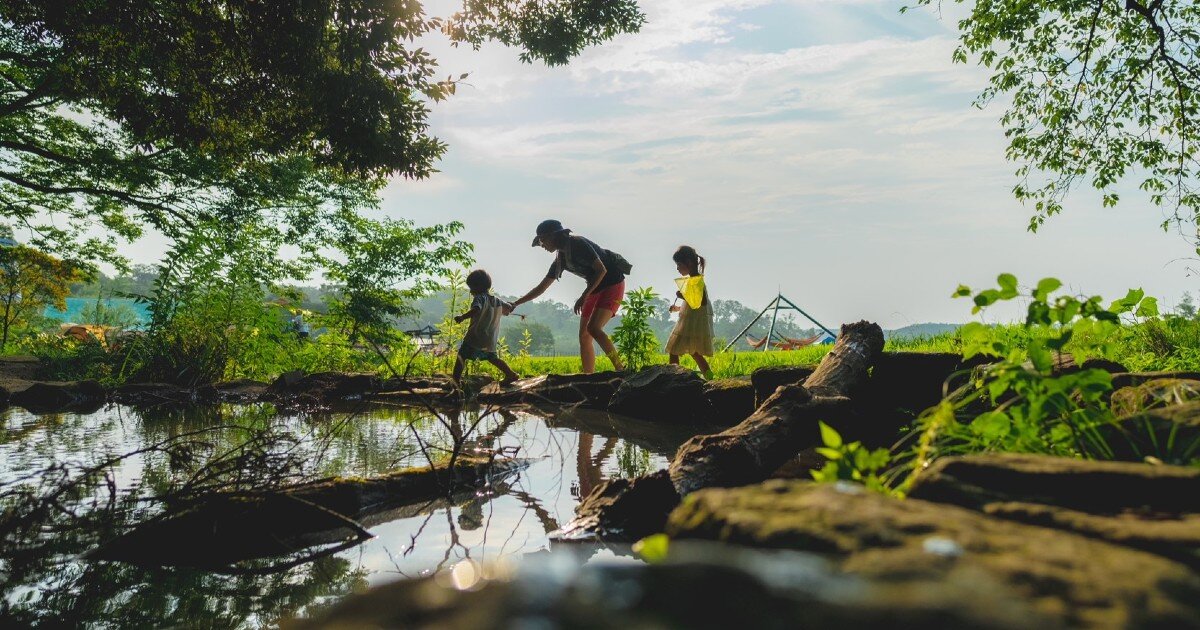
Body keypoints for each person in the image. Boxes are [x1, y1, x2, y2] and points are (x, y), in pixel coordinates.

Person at [509, 220, 629, 373]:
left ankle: (621, 369)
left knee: (593, 328)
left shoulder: (578, 243)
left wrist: (583, 296)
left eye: (543, 240)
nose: (543, 245)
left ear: (554, 236)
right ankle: (588, 376)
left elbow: (602, 270)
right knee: (584, 336)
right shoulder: (561, 258)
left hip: (612, 282)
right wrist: (516, 303)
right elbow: (542, 287)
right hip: (594, 288)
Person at [453, 269, 520, 386]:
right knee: (492, 358)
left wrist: (463, 317)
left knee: (461, 356)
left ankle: (455, 382)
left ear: (477, 287)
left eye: (471, 288)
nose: (470, 291)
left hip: (476, 336)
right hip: (490, 338)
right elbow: (508, 308)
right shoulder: (497, 300)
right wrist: (510, 305)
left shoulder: (479, 298)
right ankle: (510, 374)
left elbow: (476, 309)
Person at [666, 245, 714, 379]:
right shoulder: (692, 280)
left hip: (692, 324)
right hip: (691, 320)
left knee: (673, 349)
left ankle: (673, 378)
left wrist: (683, 296)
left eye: (679, 264)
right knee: (695, 353)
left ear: (688, 263)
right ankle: (710, 378)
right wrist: (677, 308)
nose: (677, 268)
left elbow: (702, 302)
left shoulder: (697, 280)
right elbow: (693, 304)